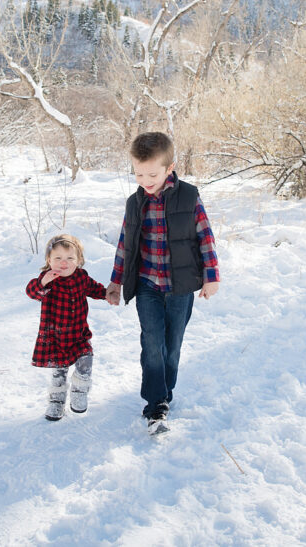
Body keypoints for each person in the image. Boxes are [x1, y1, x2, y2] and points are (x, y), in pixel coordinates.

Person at [106, 131, 220, 435]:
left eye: (152, 173)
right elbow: (125, 244)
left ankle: (166, 391)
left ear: (169, 168)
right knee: (152, 342)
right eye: (138, 173)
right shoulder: (134, 203)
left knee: (172, 347)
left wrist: (211, 275)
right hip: (147, 286)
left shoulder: (189, 196)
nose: (145, 179)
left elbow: (204, 237)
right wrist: (116, 282)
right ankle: (155, 403)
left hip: (181, 287)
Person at [26, 234, 107, 421]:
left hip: (78, 335)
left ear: (79, 260)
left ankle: (80, 391)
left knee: (86, 361)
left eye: (70, 258)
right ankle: (56, 402)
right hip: (56, 337)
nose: (64, 263)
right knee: (59, 371)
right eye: (58, 258)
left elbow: (94, 289)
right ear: (49, 260)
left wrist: (107, 294)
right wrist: (43, 282)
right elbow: (32, 292)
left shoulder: (81, 277)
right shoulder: (48, 280)